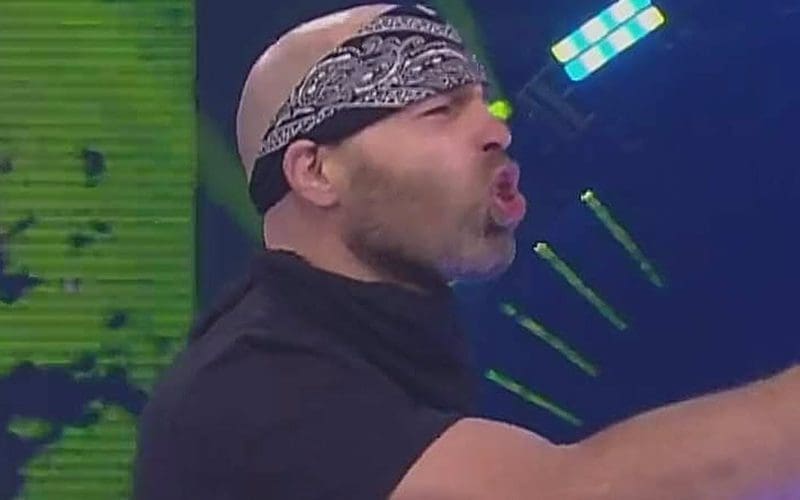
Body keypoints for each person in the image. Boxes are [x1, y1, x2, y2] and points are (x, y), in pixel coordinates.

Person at [133, 3, 800, 499]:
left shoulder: (387, 355)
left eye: (482, 102)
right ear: (315, 172)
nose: (494, 130)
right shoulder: (252, 390)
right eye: (440, 111)